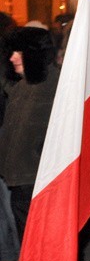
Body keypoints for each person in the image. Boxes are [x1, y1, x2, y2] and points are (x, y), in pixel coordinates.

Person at [0, 27, 59, 241]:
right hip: (21, 183)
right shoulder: (24, 85)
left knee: (49, 244)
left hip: (41, 184)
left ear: (35, 54)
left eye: (19, 52)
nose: (12, 57)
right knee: (31, 246)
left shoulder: (57, 86)